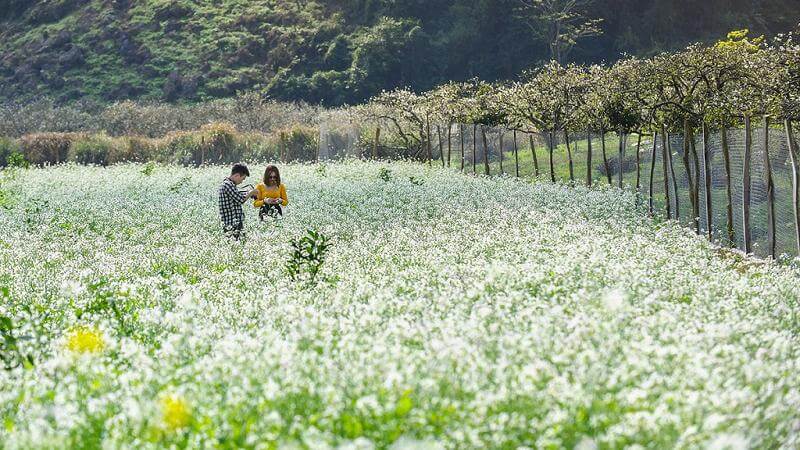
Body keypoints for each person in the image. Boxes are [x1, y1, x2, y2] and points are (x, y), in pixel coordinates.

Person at [218, 163, 258, 239]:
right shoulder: (227, 185)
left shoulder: (229, 184)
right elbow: (241, 199)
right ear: (236, 175)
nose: (242, 182)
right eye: (242, 178)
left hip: (234, 222)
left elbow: (237, 195)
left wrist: (249, 193)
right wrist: (251, 192)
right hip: (231, 223)